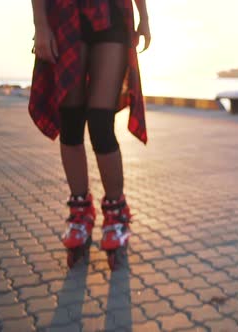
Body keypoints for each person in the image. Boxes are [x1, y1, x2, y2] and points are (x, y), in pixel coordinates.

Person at [29, 0, 150, 269]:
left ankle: (116, 214)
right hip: (66, 13)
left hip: (111, 14)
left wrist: (144, 17)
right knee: (70, 121)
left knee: (99, 121)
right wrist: (41, 25)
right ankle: (80, 212)